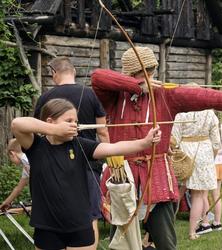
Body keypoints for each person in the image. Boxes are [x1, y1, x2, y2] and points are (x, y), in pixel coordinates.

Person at [91, 46, 222, 250]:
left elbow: (203, 97)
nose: (148, 75)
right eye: (141, 72)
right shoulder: (115, 96)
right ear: (129, 73)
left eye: (149, 71)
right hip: (122, 177)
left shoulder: (165, 95)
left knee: (166, 243)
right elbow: (98, 77)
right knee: (122, 243)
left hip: (157, 177)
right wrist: (137, 86)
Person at [11, 98, 161, 250]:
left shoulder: (79, 145)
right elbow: (17, 124)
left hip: (79, 225)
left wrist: (144, 143)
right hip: (46, 226)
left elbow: (114, 148)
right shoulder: (36, 146)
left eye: (76, 121)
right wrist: (54, 130)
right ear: (50, 121)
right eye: (69, 120)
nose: (74, 125)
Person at [34, 56, 109, 249]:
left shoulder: (45, 97)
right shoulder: (90, 94)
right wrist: (111, 162)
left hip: (65, 162)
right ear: (73, 72)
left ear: (54, 73)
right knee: (89, 213)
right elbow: (102, 131)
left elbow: (38, 130)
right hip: (89, 163)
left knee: (71, 212)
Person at [172, 110, 221, 240]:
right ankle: (192, 232)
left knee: (176, 192)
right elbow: (216, 143)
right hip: (204, 153)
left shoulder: (180, 114)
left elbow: (173, 140)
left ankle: (168, 226)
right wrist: (211, 158)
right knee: (198, 195)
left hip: (184, 155)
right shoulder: (209, 114)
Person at [0, 139, 30, 212]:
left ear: (12, 153)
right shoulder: (25, 165)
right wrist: (6, 202)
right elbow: (18, 188)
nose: (11, 161)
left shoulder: (28, 160)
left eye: (9, 157)